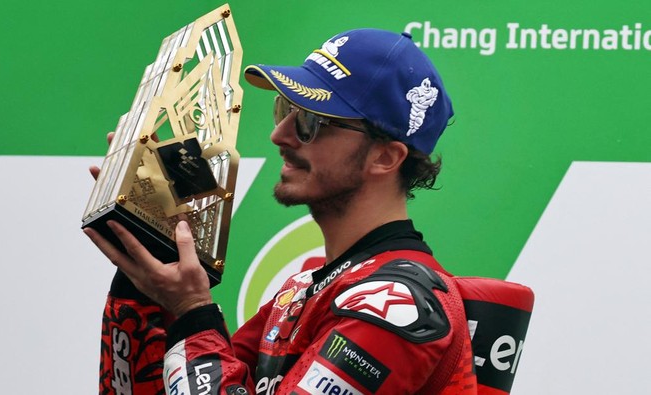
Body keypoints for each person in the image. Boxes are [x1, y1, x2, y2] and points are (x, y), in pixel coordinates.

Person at [85, 28, 477, 394]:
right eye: (284, 109)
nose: (279, 135)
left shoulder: (397, 305)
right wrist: (155, 252)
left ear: (385, 157)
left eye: (310, 121)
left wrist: (191, 310)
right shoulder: (302, 291)